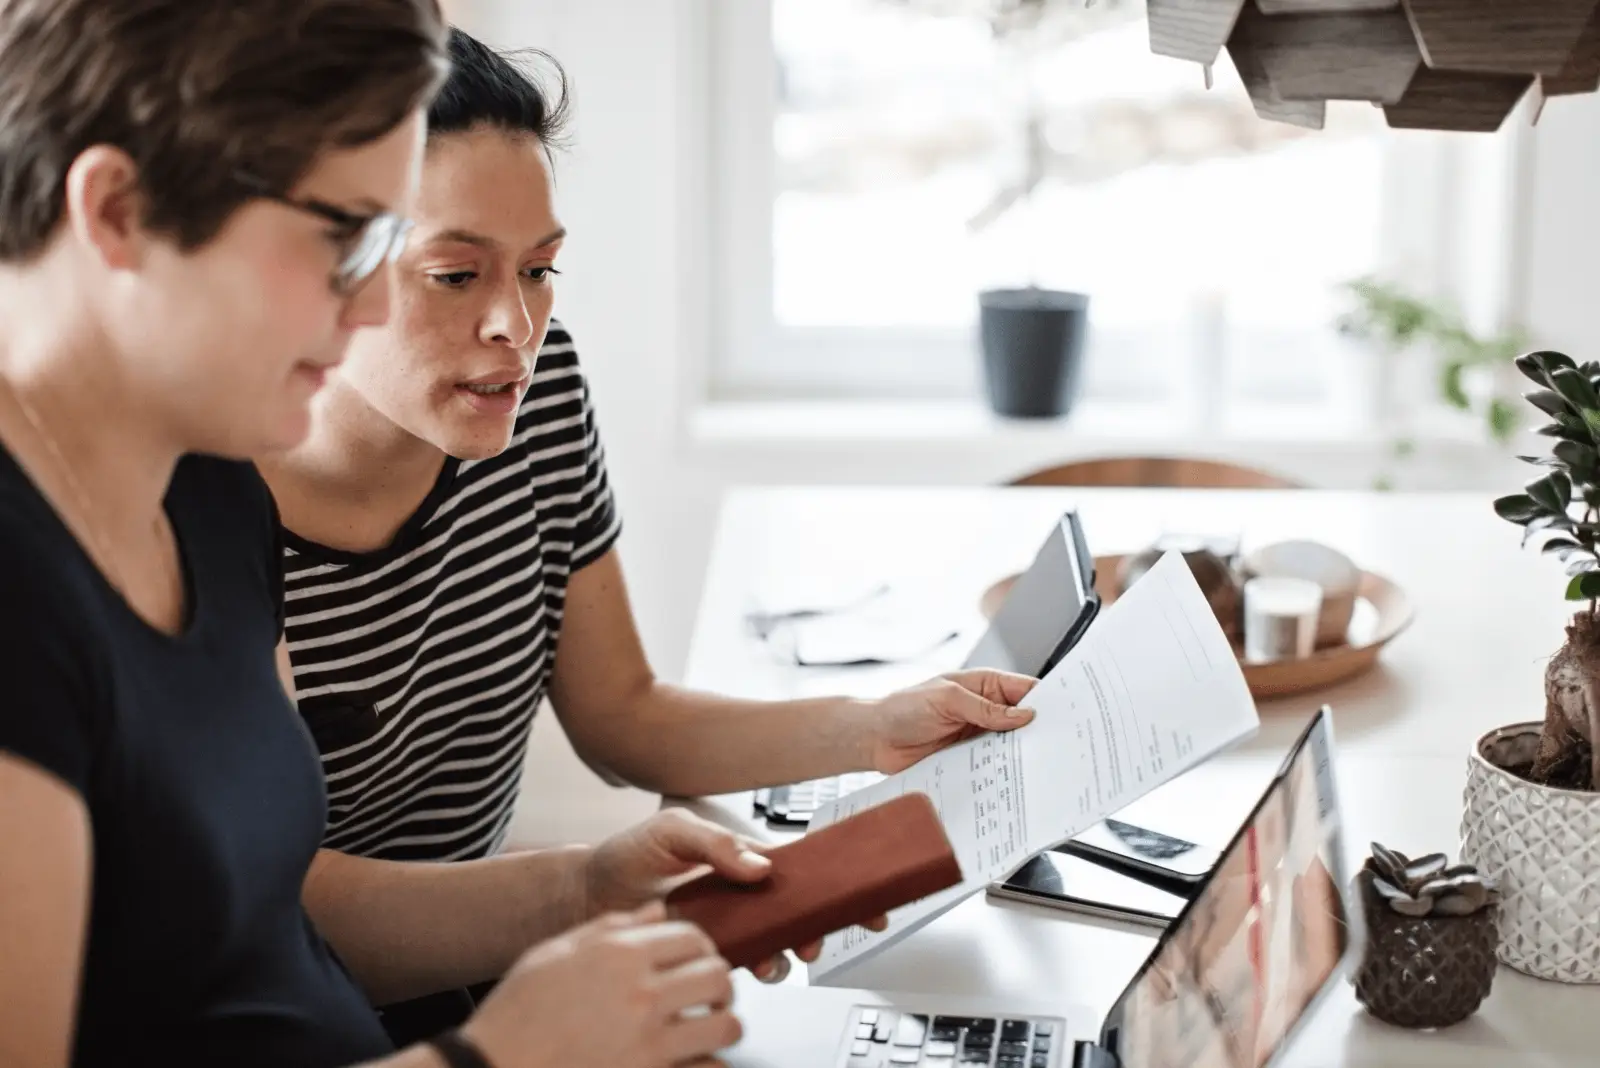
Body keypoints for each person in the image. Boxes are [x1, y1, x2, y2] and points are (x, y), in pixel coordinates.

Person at [0, 4, 831, 1067]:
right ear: (117, 210)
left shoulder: (206, 487)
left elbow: (280, 932)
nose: (363, 310)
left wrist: (585, 887)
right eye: (341, 238)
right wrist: (496, 1056)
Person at [258, 26, 1040, 1039]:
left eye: (539, 271)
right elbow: (280, 907)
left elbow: (621, 711)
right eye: (456, 276)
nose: (516, 327)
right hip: (316, 1020)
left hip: (480, 979)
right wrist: (583, 893)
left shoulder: (533, 399)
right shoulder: (209, 507)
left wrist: (868, 727)